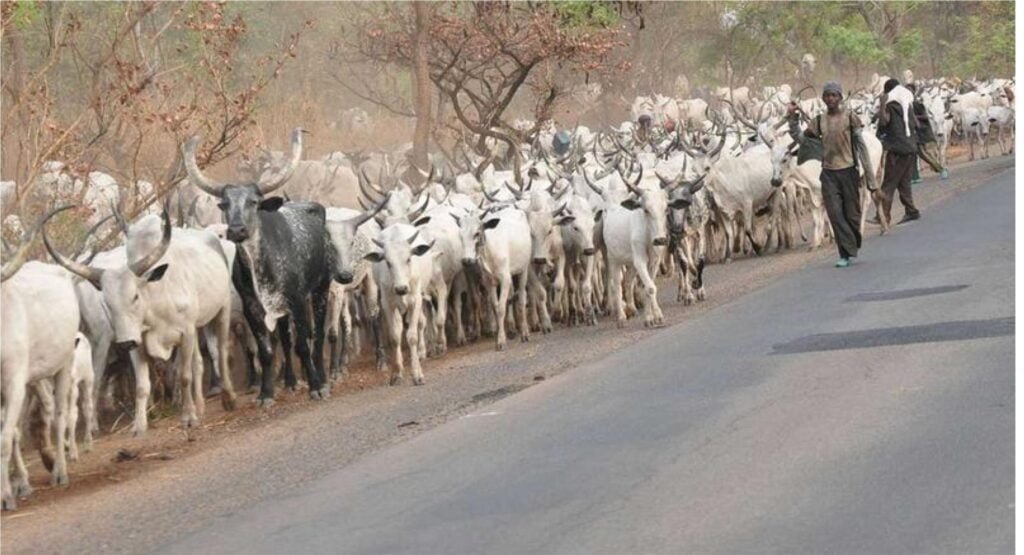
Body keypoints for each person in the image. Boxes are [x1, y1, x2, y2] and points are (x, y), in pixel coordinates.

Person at [787, 81, 877, 268]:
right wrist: (792, 120)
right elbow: (802, 139)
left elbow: (861, 147)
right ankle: (845, 252)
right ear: (824, 99)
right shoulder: (819, 121)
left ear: (840, 97)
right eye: (827, 96)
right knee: (835, 213)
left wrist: (870, 177)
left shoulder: (850, 118)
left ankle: (852, 241)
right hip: (828, 173)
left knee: (852, 213)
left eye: (834, 95)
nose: (830, 99)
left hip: (849, 170)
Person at [876, 78, 921, 225]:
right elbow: (917, 124)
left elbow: (883, 122)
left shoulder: (891, 105)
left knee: (888, 184)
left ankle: (884, 216)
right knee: (903, 182)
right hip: (910, 148)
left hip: (897, 150)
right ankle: (911, 211)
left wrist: (882, 104)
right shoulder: (907, 105)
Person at [907, 83, 948, 181]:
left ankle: (941, 169)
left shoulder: (917, 104)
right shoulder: (905, 104)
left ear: (913, 91)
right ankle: (915, 177)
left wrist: (914, 117)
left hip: (919, 133)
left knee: (923, 154)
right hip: (910, 134)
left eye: (909, 90)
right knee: (912, 156)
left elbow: (925, 116)